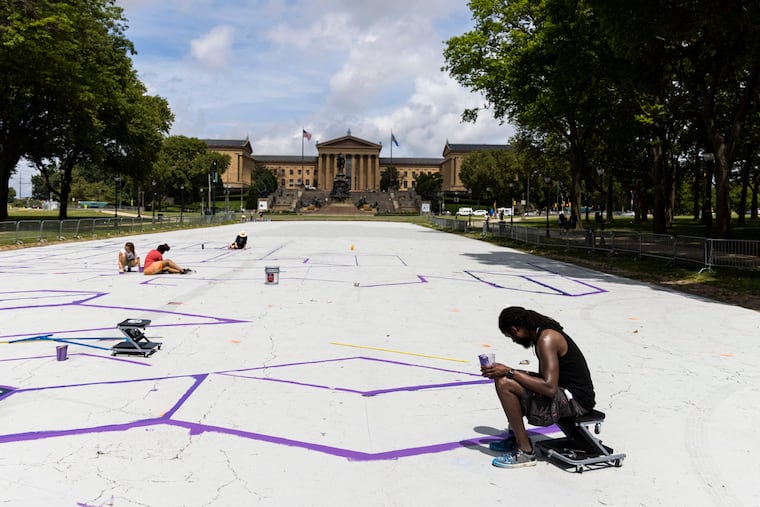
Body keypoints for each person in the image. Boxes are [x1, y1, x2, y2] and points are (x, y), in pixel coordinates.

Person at [480, 306, 595, 469]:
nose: (514, 340)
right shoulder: (543, 334)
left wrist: (509, 371)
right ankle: (515, 437)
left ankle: (525, 451)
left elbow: (549, 388)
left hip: (577, 401)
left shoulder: (546, 339)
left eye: (511, 336)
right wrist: (506, 372)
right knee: (505, 377)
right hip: (565, 392)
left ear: (515, 329)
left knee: (505, 383)